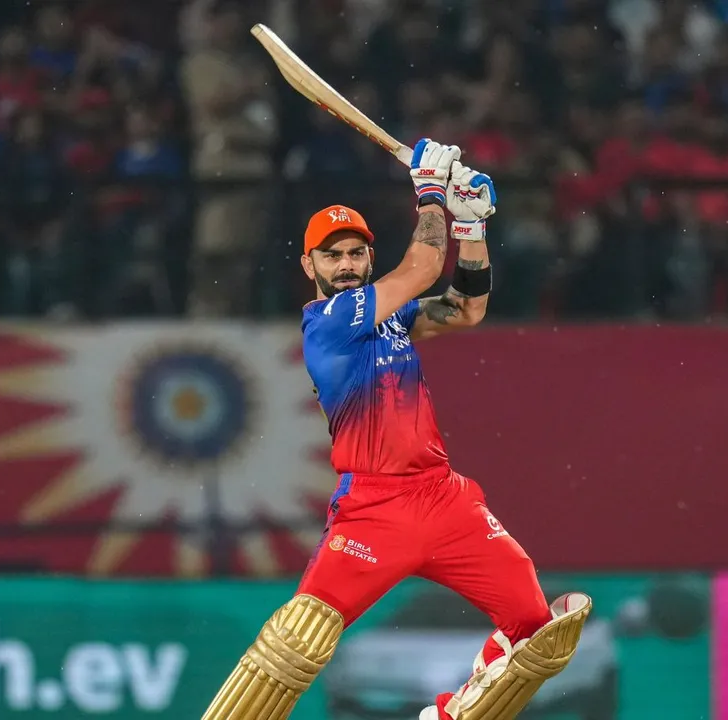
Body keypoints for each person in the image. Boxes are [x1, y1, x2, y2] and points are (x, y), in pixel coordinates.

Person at [199, 140, 592, 720]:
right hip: (374, 511)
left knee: (535, 631)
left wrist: (472, 227)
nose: (348, 265)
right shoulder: (328, 324)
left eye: (357, 253)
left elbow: (465, 308)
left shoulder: (388, 315)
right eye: (333, 256)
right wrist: (432, 193)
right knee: (296, 640)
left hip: (443, 498)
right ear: (309, 267)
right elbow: (425, 265)